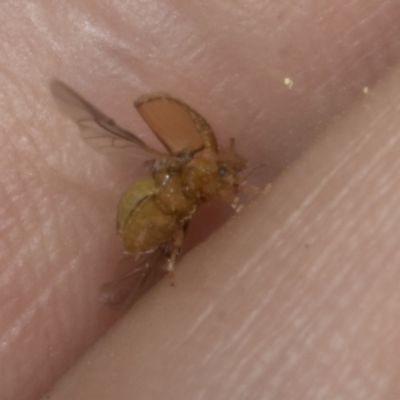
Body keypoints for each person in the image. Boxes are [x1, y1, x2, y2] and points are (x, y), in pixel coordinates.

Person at [2, 1, 400, 399]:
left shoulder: (192, 183)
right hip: (146, 213)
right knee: (169, 241)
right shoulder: (189, 184)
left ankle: (154, 268)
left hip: (150, 211)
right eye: (226, 174)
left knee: (171, 237)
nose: (230, 178)